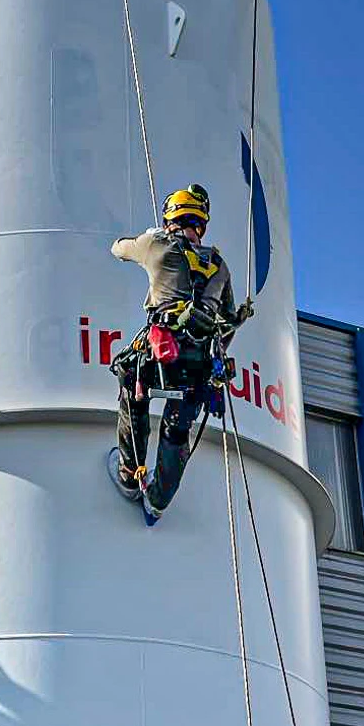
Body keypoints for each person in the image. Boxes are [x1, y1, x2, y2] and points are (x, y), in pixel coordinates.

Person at [108, 186, 253, 523]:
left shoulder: (158, 244)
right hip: (198, 364)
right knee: (177, 429)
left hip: (161, 355)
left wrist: (147, 238)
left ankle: (130, 473)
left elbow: (118, 248)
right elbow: (227, 321)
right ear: (201, 223)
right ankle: (157, 501)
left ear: (170, 217)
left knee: (133, 389)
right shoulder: (219, 265)